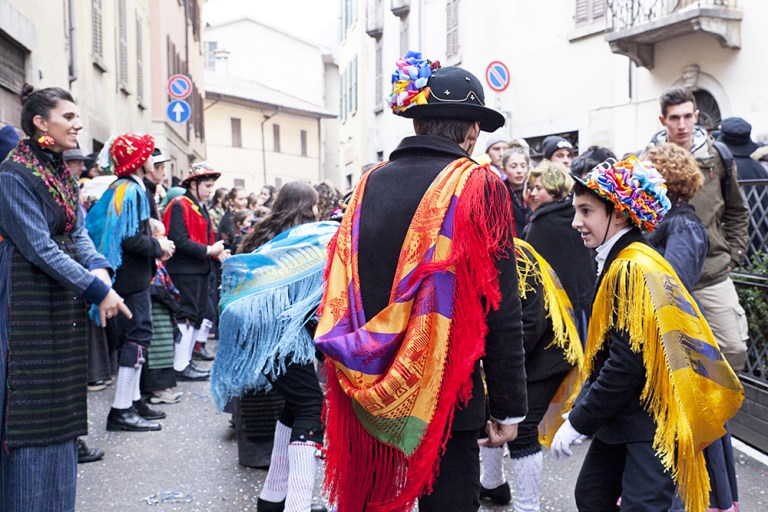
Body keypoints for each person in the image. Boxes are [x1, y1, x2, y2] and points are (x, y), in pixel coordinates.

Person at [314, 51, 527, 512]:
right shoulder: (482, 186)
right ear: (473, 133)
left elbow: (342, 286)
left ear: (415, 124)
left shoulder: (368, 184)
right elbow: (501, 306)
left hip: (367, 384)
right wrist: (509, 407)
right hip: (447, 396)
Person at [551, 156, 744, 512]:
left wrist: (580, 420)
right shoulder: (625, 257)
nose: (576, 221)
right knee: (592, 496)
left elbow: (627, 363)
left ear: (620, 215)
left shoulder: (631, 266)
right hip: (631, 414)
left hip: (652, 420)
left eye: (586, 211)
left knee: (637, 505)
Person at [0, 84, 130, 510]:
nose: (78, 124)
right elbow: (38, 246)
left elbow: (76, 231)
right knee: (29, 406)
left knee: (60, 404)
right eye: (69, 117)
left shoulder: (57, 169)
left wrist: (99, 272)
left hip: (57, 296)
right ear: (41, 123)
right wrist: (96, 289)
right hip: (25, 297)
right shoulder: (12, 173)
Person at [212, 182, 333, 512]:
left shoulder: (262, 237)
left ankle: (272, 499)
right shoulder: (306, 242)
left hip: (261, 339)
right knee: (311, 407)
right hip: (280, 338)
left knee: (294, 406)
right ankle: (297, 505)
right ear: (308, 208)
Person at [643, 143, 742, 512]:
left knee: (694, 429)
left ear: (666, 181)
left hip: (680, 340)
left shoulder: (682, 223)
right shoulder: (672, 220)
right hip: (676, 338)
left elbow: (672, 284)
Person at [649, 86, 750, 372]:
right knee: (669, 355)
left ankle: (718, 408)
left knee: (733, 347)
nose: (681, 125)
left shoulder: (717, 154)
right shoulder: (648, 159)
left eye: (686, 117)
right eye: (674, 118)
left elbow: (736, 210)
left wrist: (733, 255)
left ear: (696, 116)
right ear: (663, 121)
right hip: (666, 269)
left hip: (712, 271)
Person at [480, 238, 583, 510]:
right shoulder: (477, 250)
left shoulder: (515, 256)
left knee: (522, 428)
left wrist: (496, 365)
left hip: (547, 353)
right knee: (490, 412)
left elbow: (529, 323)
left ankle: (528, 506)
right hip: (513, 353)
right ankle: (492, 485)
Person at [87, 133, 176, 432]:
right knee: (137, 337)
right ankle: (121, 408)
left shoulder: (122, 186)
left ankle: (134, 400)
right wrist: (159, 246)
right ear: (139, 161)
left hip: (125, 277)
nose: (153, 158)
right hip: (132, 278)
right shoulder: (133, 190)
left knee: (133, 337)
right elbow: (131, 240)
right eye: (149, 153)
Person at [163, 163, 229, 381]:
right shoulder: (179, 205)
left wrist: (216, 253)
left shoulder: (199, 206)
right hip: (184, 271)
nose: (211, 190)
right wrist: (210, 250)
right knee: (187, 316)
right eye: (207, 185)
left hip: (199, 270)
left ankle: (186, 362)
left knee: (197, 316)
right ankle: (180, 365)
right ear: (193, 183)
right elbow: (178, 240)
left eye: (212, 186)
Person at [524, 160, 595, 342]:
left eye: (538, 188)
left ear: (553, 188)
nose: (532, 193)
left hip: (558, 312)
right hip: (586, 304)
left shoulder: (540, 224)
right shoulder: (578, 216)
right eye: (531, 188)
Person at [141, 218, 183, 405]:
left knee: (164, 349)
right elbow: (157, 288)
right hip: (157, 310)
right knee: (159, 351)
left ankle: (161, 388)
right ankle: (157, 391)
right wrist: (172, 302)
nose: (165, 239)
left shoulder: (158, 263)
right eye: (160, 236)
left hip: (162, 310)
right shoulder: (152, 265)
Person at [501, 145, 530, 236]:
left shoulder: (535, 189)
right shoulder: (499, 192)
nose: (519, 171)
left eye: (523, 166)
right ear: (503, 170)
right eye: (513, 166)